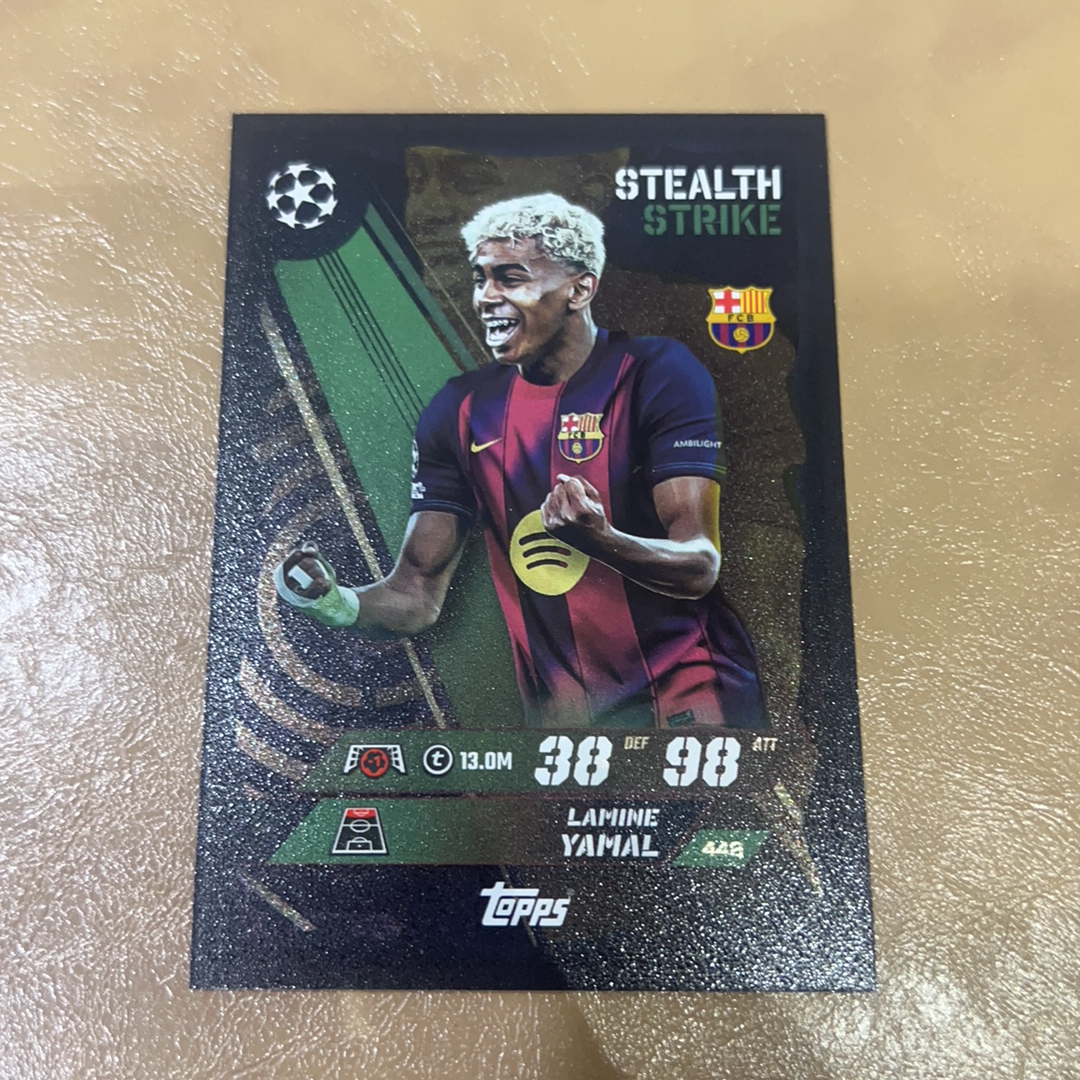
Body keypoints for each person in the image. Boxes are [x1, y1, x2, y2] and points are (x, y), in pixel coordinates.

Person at [275, 193, 767, 729]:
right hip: (562, 730)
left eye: (510, 278)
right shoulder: (460, 409)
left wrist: (601, 540)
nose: (486, 297)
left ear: (580, 289)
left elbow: (698, 566)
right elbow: (415, 594)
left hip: (691, 701)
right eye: (481, 278)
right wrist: (333, 601)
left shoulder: (657, 373)